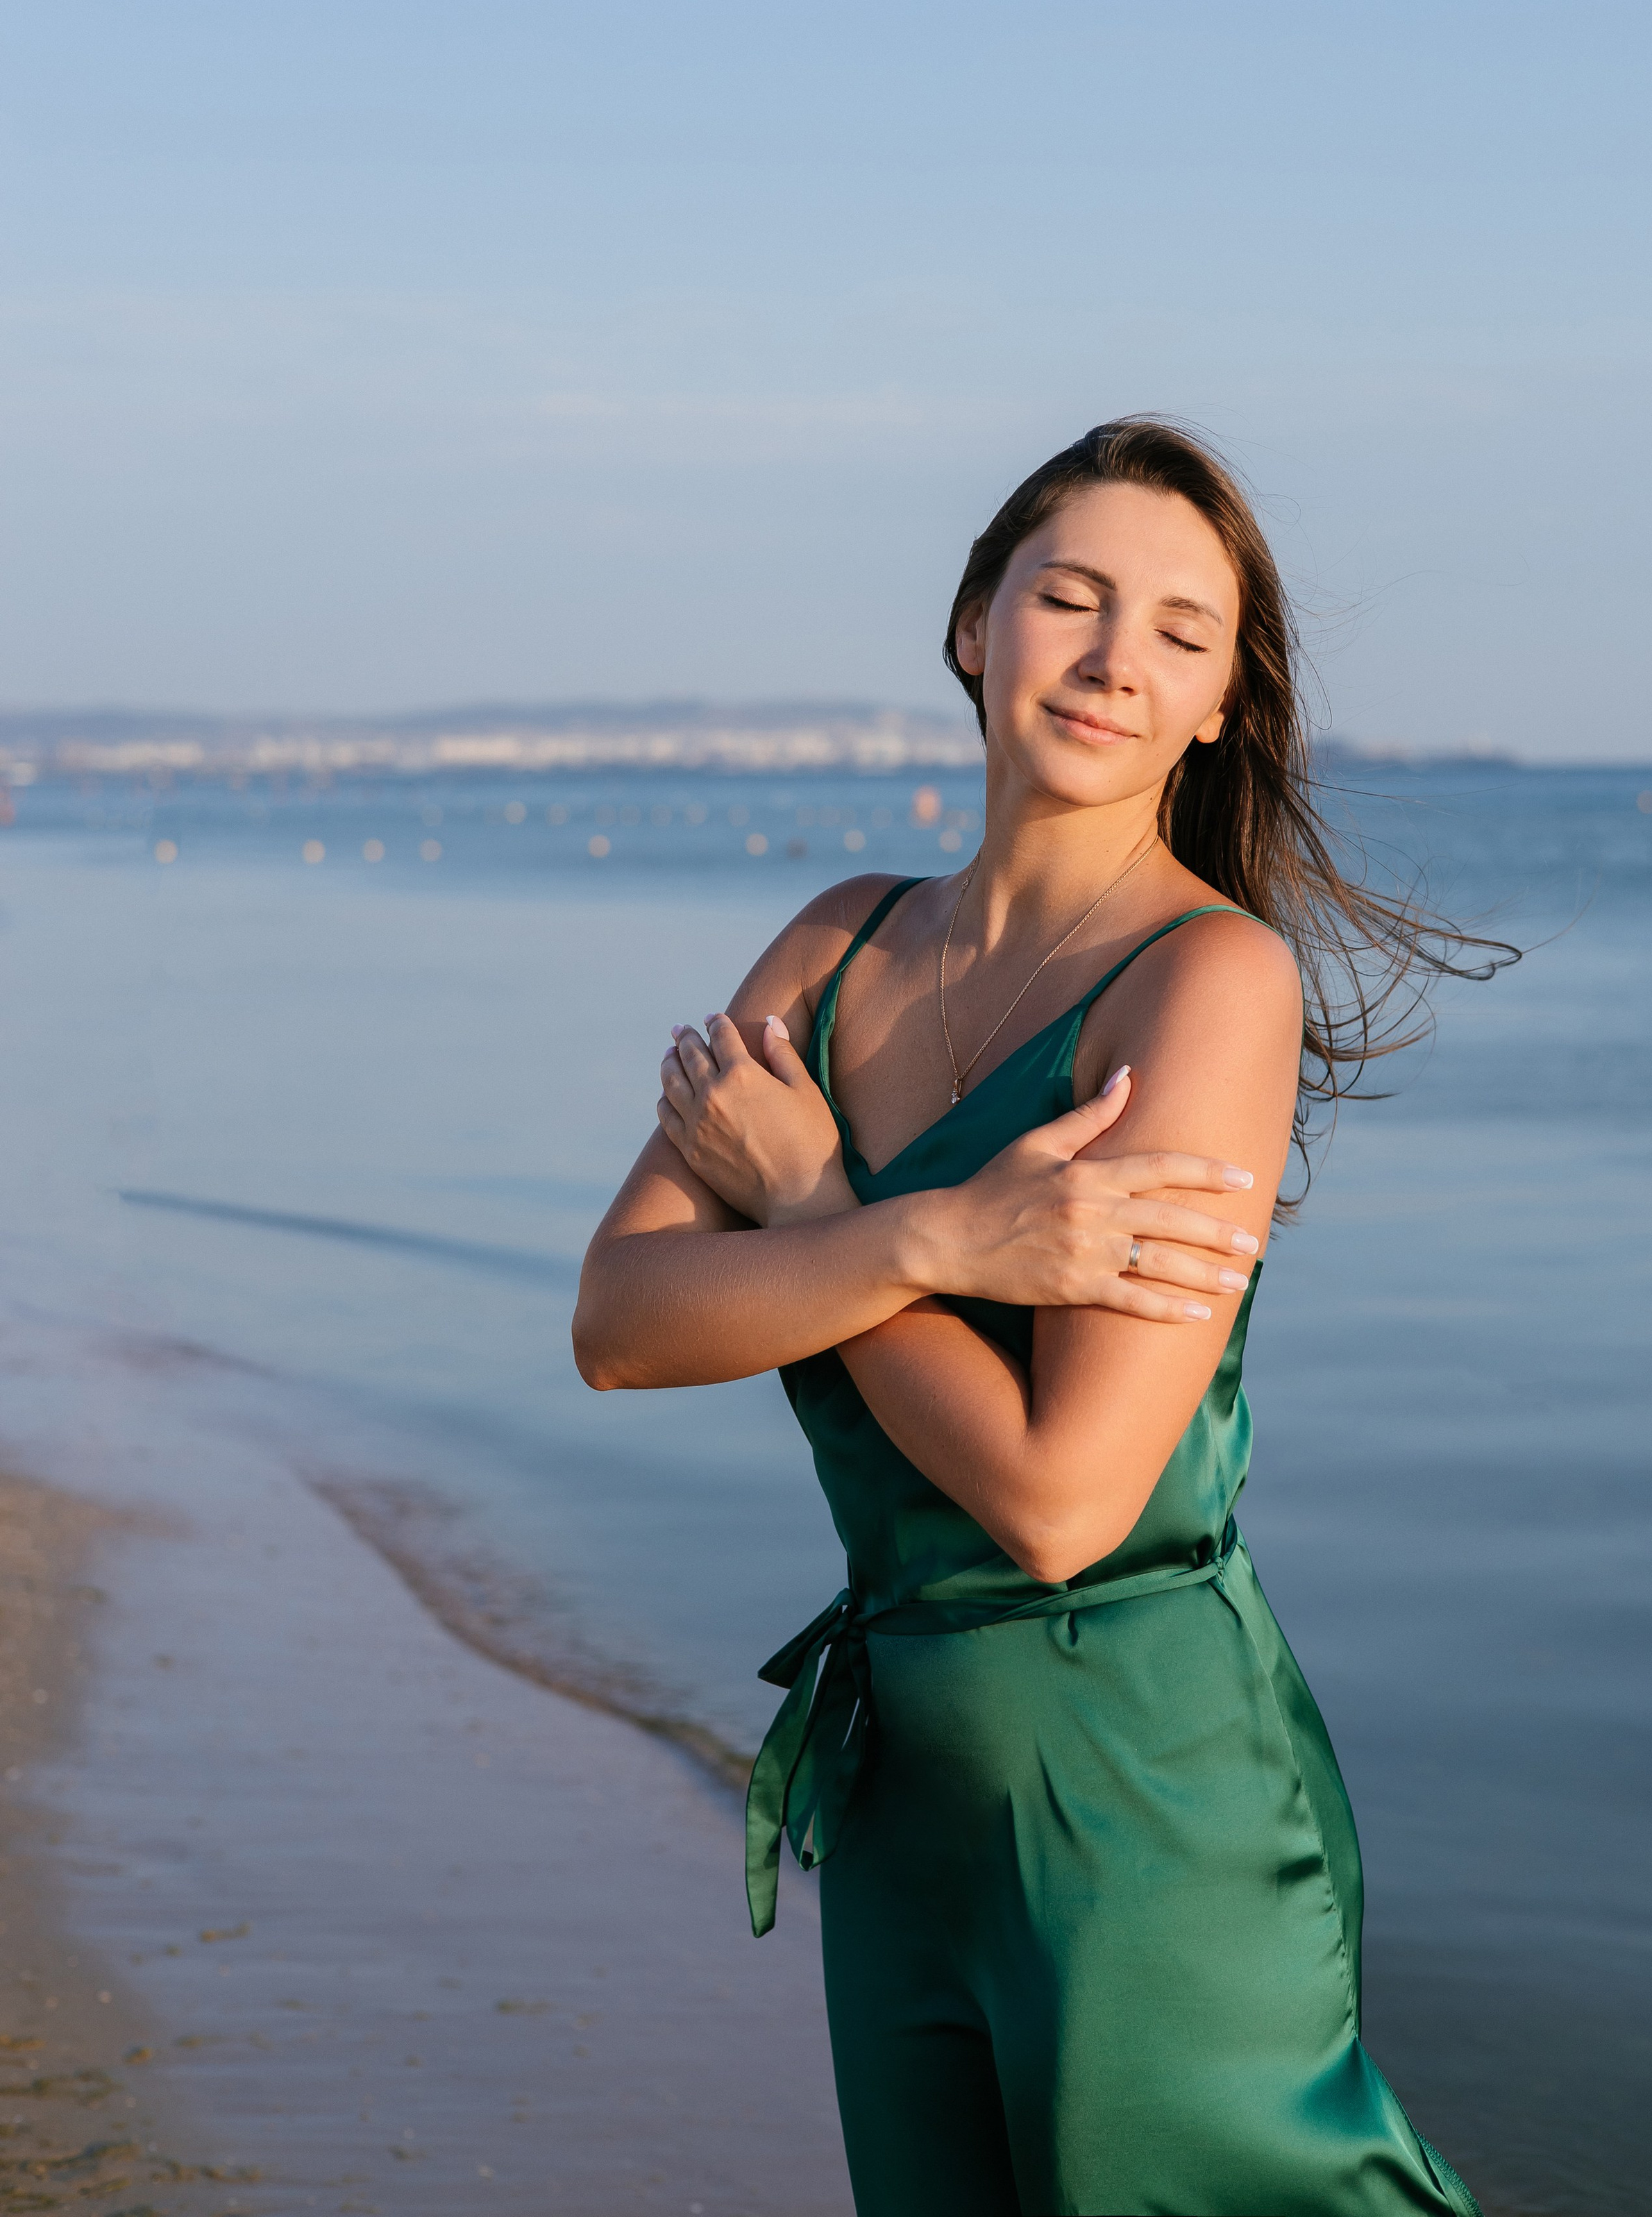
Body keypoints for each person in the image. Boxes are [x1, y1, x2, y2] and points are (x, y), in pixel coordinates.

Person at [573, 419, 1501, 2216]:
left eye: (1176, 630)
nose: (1109, 659)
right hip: (902, 1777)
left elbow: (1066, 1502)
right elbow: (622, 1320)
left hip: (1142, 1798)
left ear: (1226, 698)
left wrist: (830, 1212)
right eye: (1066, 598)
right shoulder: (833, 945)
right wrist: (945, 1238)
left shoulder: (1210, 978)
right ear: (971, 624)